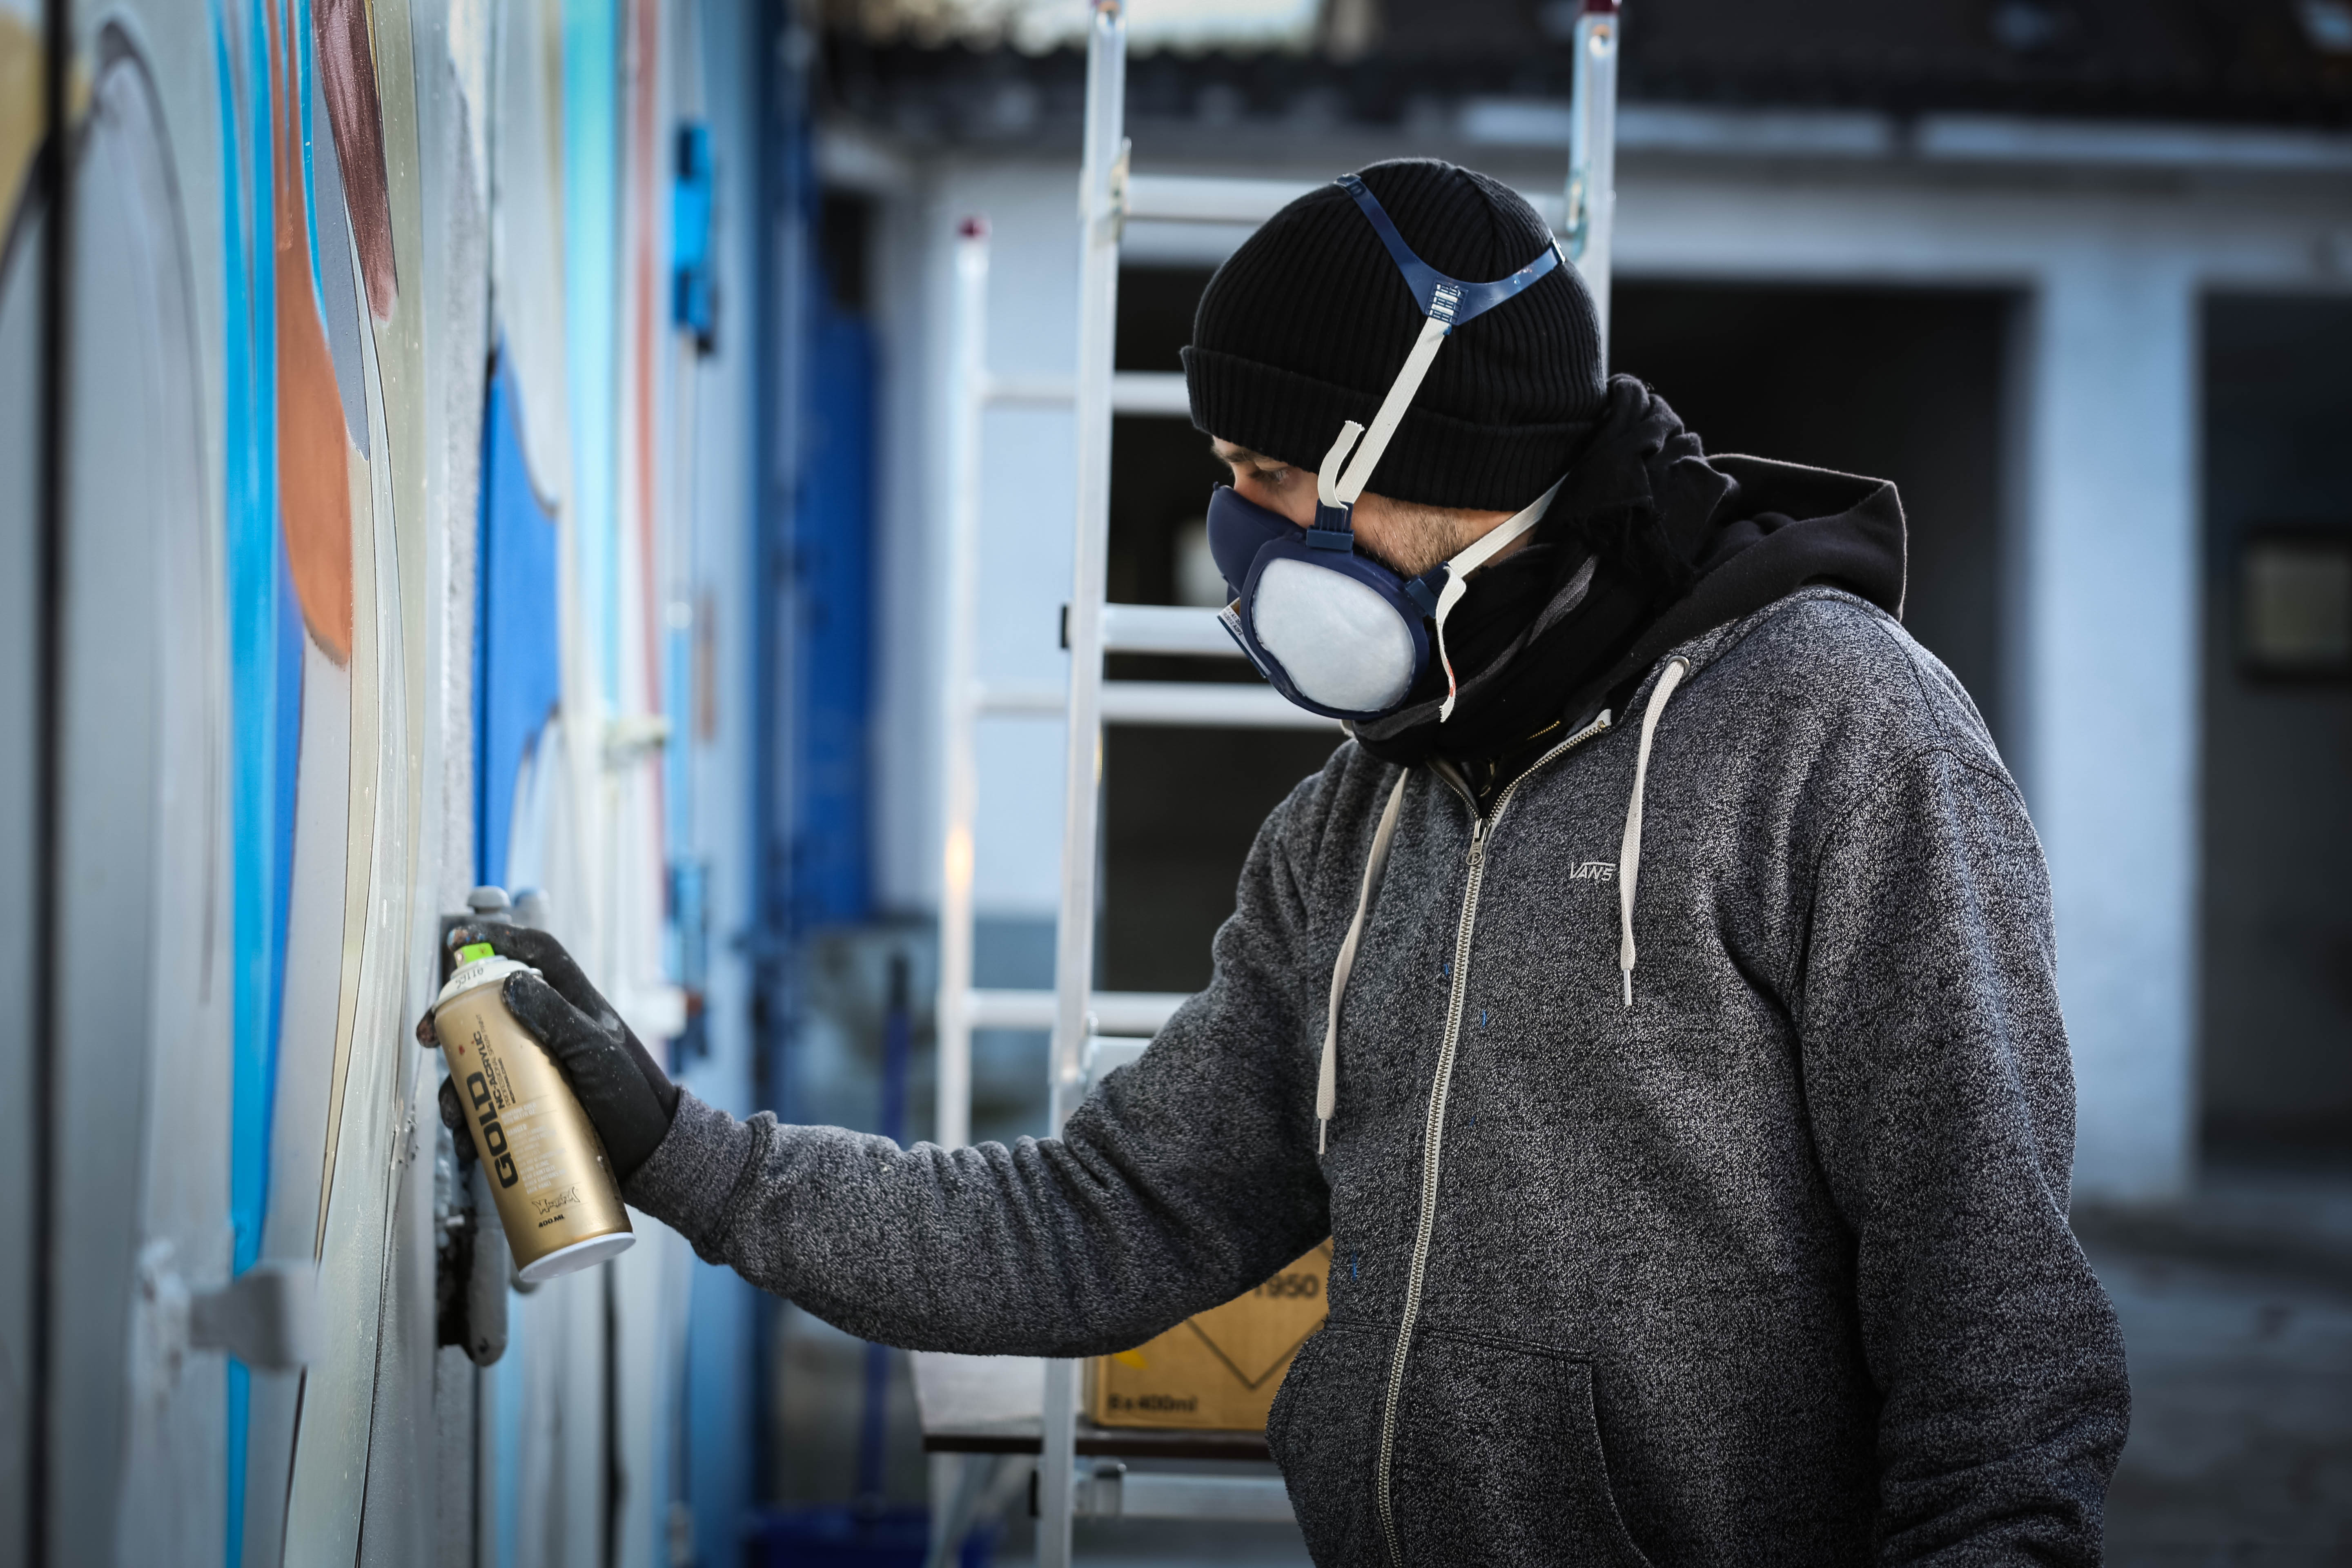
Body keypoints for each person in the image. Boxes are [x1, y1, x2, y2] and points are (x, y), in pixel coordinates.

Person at [421, 159, 2130, 1564]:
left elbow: (1997, 1329)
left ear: (1417, 451)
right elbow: (1103, 1223)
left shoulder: (1835, 731)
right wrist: (674, 1149)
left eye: (1261, 475)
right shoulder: (1356, 819)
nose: (1239, 540)